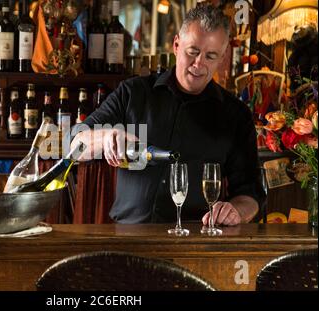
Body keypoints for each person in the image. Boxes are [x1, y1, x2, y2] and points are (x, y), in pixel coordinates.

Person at [71, 4, 261, 226]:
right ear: (176, 45)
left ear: (222, 57)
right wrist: (104, 138)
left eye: (210, 56)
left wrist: (236, 210)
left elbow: (252, 194)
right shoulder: (133, 93)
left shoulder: (236, 115)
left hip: (196, 243)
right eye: (193, 52)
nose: (199, 64)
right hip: (127, 238)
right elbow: (72, 144)